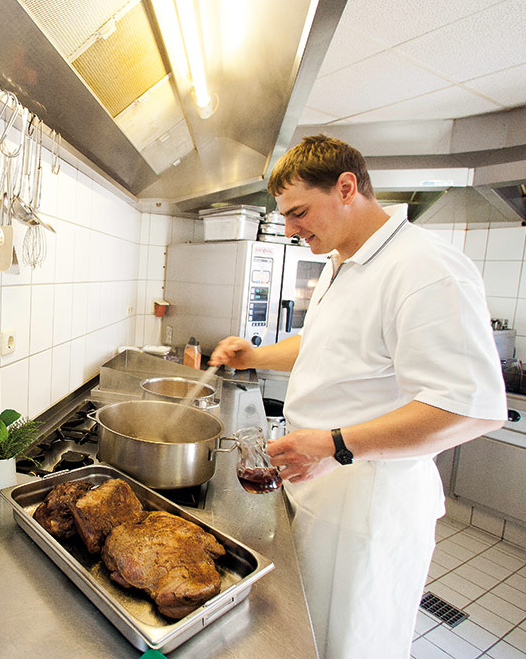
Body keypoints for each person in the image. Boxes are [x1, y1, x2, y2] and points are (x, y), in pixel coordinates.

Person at [210, 134, 506, 659]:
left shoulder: (424, 268)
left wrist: (337, 444)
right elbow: (325, 346)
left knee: (351, 646)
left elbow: (471, 408)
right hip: (320, 489)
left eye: (299, 212)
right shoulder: (342, 262)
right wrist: (254, 356)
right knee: (308, 639)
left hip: (368, 509)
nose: (290, 228)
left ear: (347, 188)